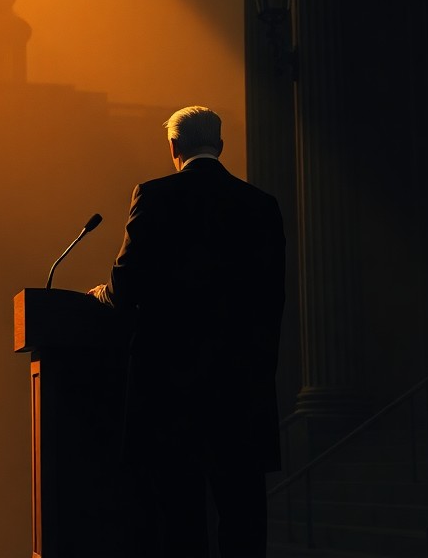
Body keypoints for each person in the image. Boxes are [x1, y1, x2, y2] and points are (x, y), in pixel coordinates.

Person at [89, 105, 285, 557]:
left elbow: (126, 288)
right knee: (243, 520)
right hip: (241, 390)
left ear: (174, 147)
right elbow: (272, 301)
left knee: (180, 522)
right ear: (220, 145)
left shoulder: (155, 196)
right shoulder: (261, 205)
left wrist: (98, 294)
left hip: (170, 393)